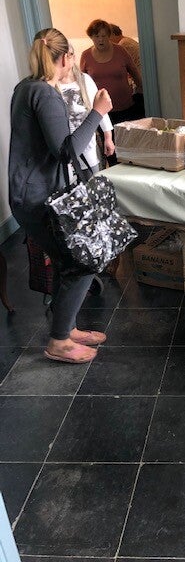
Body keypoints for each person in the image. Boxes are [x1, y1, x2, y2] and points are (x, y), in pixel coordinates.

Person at [9, 28, 112, 364]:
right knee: (82, 262)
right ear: (66, 57)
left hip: (30, 194)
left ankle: (66, 329)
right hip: (38, 198)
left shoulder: (25, 88)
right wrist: (98, 112)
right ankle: (59, 342)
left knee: (67, 262)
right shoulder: (45, 94)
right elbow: (67, 151)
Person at [80, 19, 143, 165]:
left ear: (109, 36)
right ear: (91, 37)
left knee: (128, 146)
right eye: (96, 36)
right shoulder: (86, 56)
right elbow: (82, 82)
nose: (100, 40)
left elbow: (135, 73)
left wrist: (141, 92)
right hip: (101, 112)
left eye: (104, 36)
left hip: (125, 107)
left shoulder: (120, 51)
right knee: (110, 148)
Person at [59, 43, 115, 172]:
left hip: (88, 150)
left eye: (69, 55)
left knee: (92, 180)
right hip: (65, 149)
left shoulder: (84, 79)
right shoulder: (51, 84)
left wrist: (108, 138)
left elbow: (101, 109)